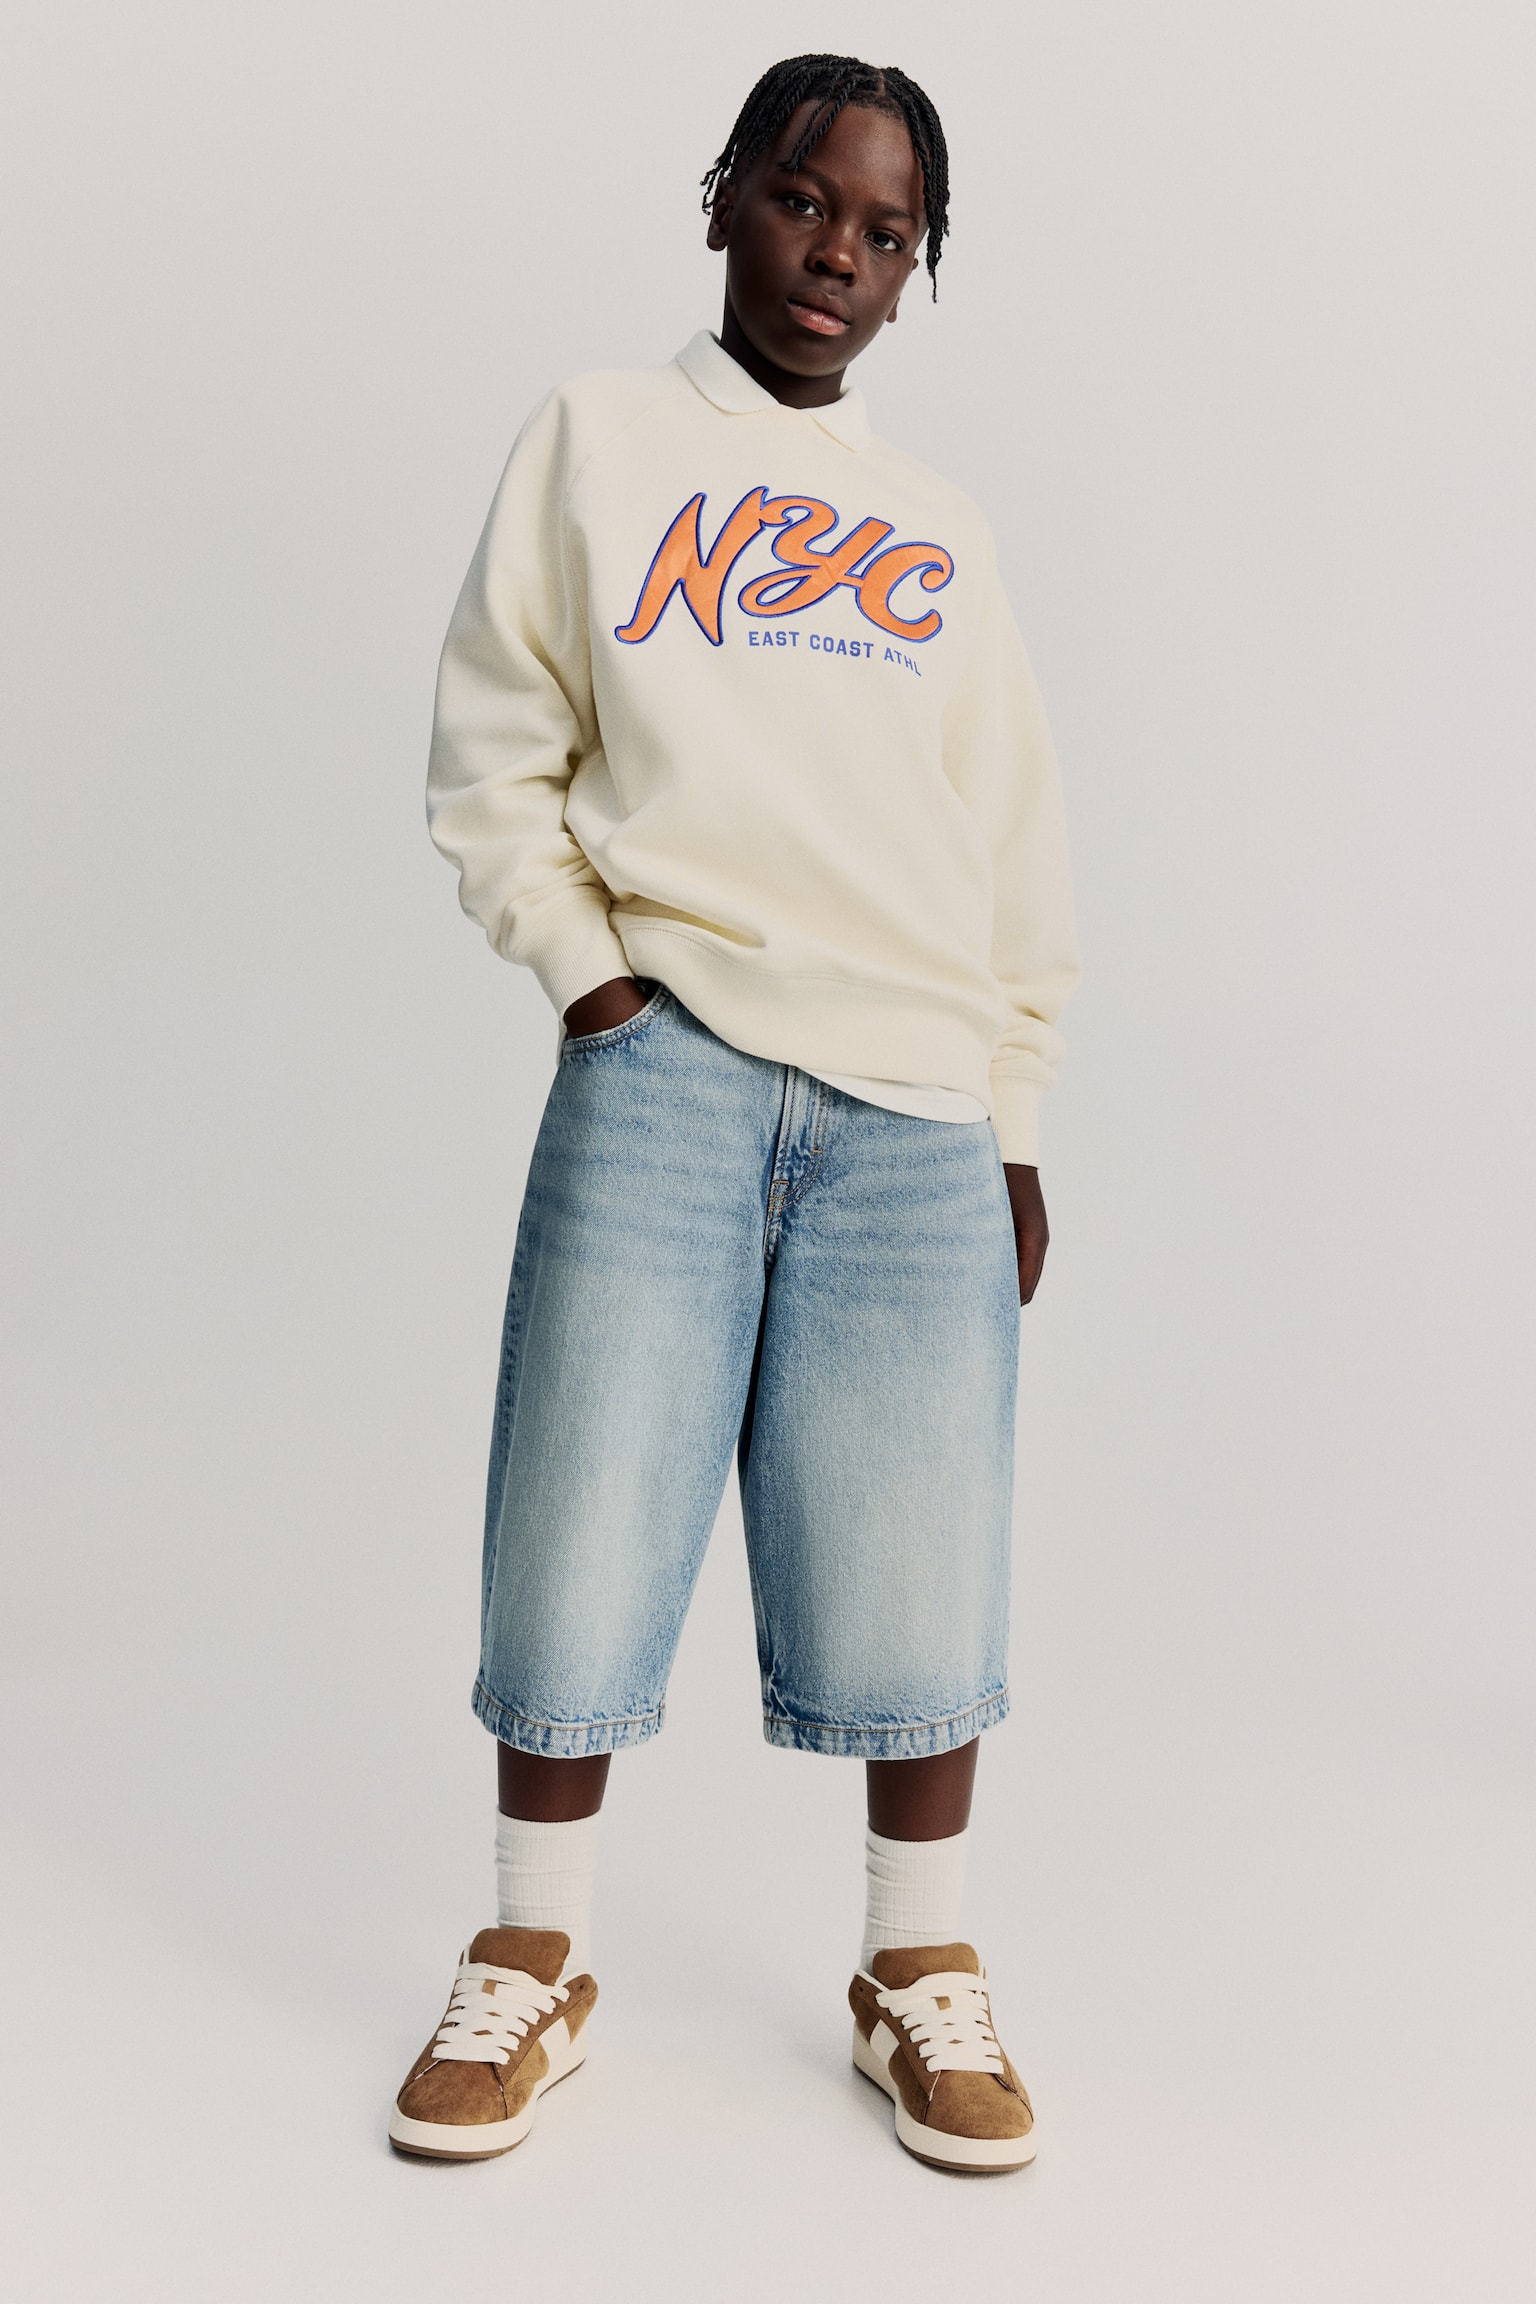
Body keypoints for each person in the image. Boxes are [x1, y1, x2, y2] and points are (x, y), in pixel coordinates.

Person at [389, 52, 1079, 2175]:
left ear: (915, 273)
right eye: (803, 200)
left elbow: (1011, 845)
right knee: (579, 1501)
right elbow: (496, 743)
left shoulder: (941, 530)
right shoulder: (600, 437)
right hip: (669, 1059)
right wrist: (594, 986)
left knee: (919, 1535)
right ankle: (531, 1952)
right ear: (724, 200)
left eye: (887, 233)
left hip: (914, 1104)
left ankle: (916, 1969)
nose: (837, 255)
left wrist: (1010, 1114)